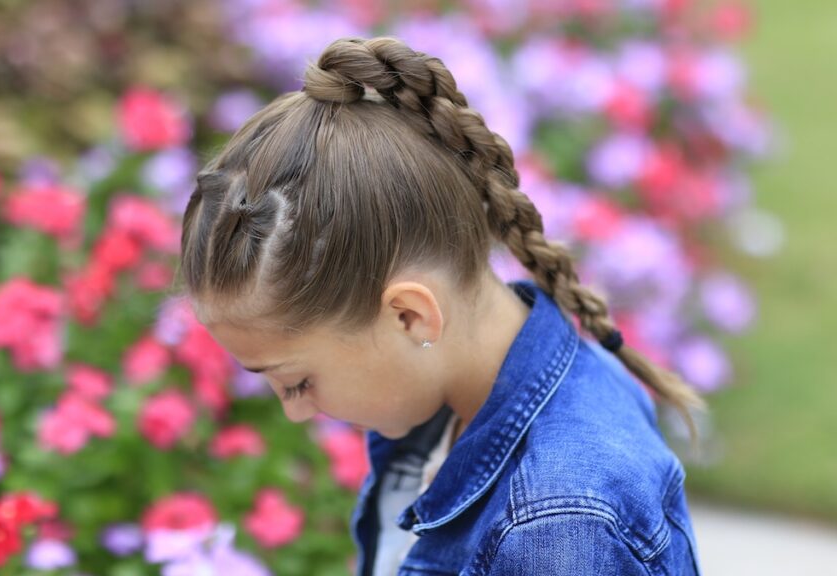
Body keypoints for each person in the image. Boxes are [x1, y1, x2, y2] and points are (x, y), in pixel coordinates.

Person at [178, 36, 705, 575]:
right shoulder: (446, 397)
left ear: (410, 316)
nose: (294, 410)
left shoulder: (558, 525)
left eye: (296, 382)